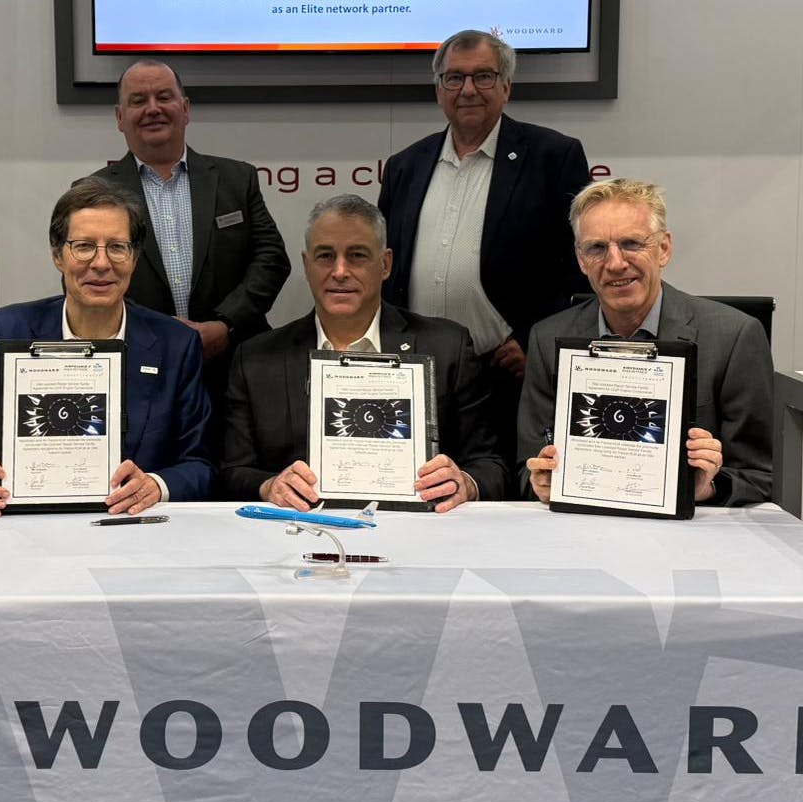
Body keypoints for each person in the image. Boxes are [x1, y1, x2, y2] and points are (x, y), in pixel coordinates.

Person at [377, 29, 592, 460]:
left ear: (507, 86)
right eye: (454, 78)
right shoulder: (405, 166)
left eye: (484, 77)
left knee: (499, 493)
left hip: (503, 371)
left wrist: (535, 340)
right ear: (439, 89)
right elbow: (386, 266)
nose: (468, 90)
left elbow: (579, 265)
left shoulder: (553, 156)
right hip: (415, 369)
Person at [220, 194, 510, 509]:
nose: (340, 271)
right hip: (300, 534)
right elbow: (232, 471)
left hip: (420, 538)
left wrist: (464, 482)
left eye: (357, 255)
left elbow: (491, 465)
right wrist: (270, 486)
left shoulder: (447, 347)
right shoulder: (257, 359)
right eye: (325, 256)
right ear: (306, 265)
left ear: (384, 265)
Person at [0, 177, 212, 514]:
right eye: (84, 246)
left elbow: (201, 466)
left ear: (134, 258)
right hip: (24, 529)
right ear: (58, 255)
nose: (101, 263)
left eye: (117, 247)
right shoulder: (4, 330)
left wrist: (156, 486)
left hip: (134, 530)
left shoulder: (177, 344)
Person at [520, 178, 774, 506]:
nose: (615, 263)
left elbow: (761, 474)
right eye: (597, 248)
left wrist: (707, 486)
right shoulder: (547, 339)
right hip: (581, 530)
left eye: (631, 243)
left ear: (664, 248)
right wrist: (540, 481)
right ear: (581, 260)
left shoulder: (734, 337)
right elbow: (524, 465)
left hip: (690, 539)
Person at [91, 59, 291, 443]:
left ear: (185, 108)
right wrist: (162, 336)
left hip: (233, 362)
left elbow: (271, 259)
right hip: (142, 365)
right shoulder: (96, 193)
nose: (152, 108)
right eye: (138, 101)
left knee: (237, 476)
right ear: (120, 117)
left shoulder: (237, 178)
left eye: (164, 97)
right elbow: (90, 279)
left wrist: (224, 325)